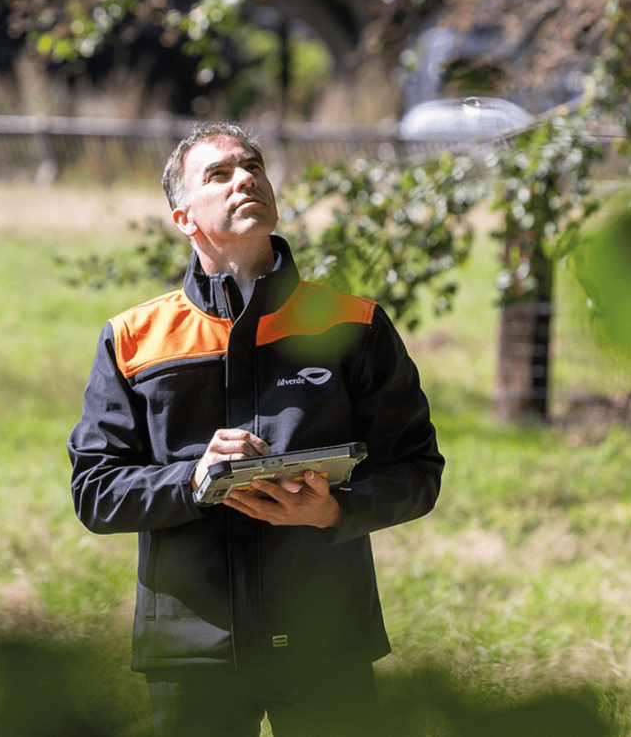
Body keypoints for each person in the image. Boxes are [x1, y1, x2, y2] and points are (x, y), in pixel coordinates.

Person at [68, 122, 445, 737]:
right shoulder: (135, 340)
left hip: (328, 639)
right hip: (194, 647)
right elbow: (95, 492)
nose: (245, 178)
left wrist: (334, 512)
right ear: (184, 218)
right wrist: (191, 479)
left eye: (253, 167)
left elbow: (418, 472)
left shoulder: (355, 325)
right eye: (218, 174)